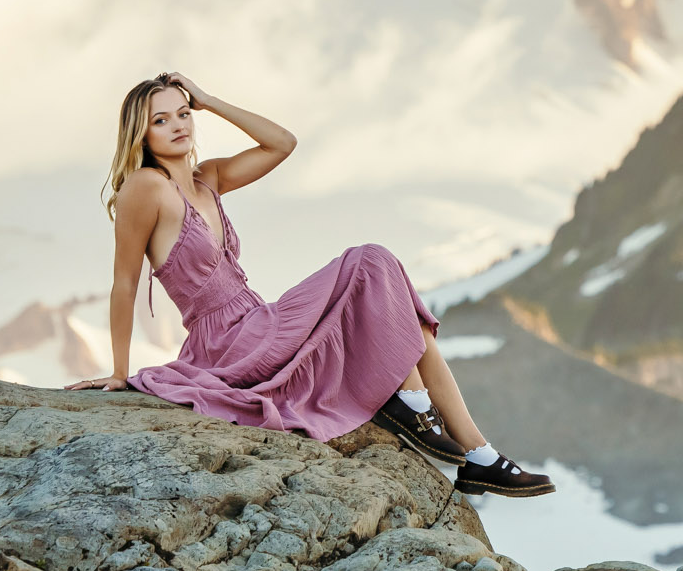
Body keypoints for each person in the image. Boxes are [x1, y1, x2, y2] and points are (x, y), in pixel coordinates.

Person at [67, 72, 553, 499]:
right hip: (226, 343)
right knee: (370, 261)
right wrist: (119, 371)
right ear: (140, 132)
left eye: (183, 113)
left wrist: (209, 98)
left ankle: (478, 453)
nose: (178, 125)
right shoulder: (145, 188)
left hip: (258, 321)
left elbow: (283, 142)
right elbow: (124, 283)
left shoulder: (207, 177)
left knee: (401, 310)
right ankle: (415, 408)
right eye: (161, 120)